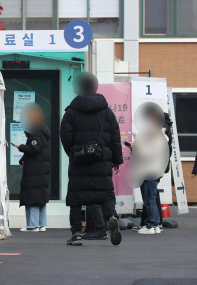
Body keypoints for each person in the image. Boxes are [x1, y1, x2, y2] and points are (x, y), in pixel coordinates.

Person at [60, 73, 123, 246]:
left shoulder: (71, 111)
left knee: (75, 198)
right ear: (96, 87)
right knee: (106, 195)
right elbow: (115, 137)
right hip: (102, 161)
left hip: (79, 162)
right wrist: (116, 160)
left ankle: (76, 234)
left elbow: (65, 135)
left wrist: (73, 153)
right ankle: (111, 217)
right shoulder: (106, 112)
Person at [138, 112, 173, 234]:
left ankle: (150, 225)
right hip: (156, 170)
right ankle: (156, 224)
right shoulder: (163, 137)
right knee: (151, 198)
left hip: (149, 171)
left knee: (149, 199)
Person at [17, 112, 51, 232]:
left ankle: (32, 225)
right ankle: (42, 224)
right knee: (40, 197)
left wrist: (20, 146)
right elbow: (38, 150)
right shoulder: (42, 130)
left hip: (34, 171)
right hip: (41, 169)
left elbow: (34, 148)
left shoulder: (34, 131)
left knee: (32, 197)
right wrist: (23, 159)